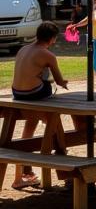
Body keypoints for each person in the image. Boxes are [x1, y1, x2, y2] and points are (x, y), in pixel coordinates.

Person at [10, 22, 68, 190]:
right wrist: (63, 83)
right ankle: (65, 171)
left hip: (17, 93)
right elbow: (58, 80)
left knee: (30, 124)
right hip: (34, 93)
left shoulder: (23, 49)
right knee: (53, 124)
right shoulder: (47, 54)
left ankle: (21, 175)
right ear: (52, 39)